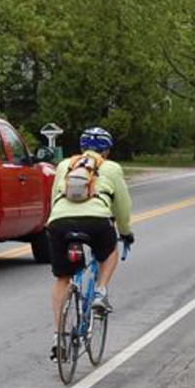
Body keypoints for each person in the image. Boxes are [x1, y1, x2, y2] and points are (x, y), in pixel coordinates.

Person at [46, 127, 134, 361]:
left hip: (59, 222)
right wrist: (125, 232)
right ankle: (100, 292)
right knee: (109, 251)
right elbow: (123, 206)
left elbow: (54, 196)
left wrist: (53, 222)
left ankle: (58, 338)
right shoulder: (111, 168)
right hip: (96, 221)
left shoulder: (65, 165)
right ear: (106, 150)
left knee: (62, 278)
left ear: (82, 147)